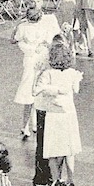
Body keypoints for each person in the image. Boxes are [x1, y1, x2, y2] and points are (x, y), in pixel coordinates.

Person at [33, 43, 82, 186]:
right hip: (68, 114)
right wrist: (64, 88)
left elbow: (35, 91)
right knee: (69, 150)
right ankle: (71, 179)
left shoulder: (47, 74)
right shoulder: (72, 73)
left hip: (53, 115)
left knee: (52, 149)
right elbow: (76, 90)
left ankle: (55, 180)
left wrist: (52, 89)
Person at [12, 7, 56, 139]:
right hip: (41, 58)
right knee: (39, 91)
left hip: (30, 60)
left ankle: (27, 126)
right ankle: (36, 124)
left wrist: (28, 49)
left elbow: (16, 40)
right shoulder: (44, 26)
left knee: (29, 93)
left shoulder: (23, 27)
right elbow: (48, 42)